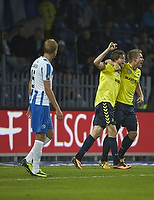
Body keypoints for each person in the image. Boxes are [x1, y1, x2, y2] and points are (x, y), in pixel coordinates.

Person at [71, 42, 130, 169]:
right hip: (104, 102)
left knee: (96, 132)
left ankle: (78, 157)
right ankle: (116, 162)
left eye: (124, 58)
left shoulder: (118, 71)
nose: (124, 60)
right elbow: (96, 62)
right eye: (121, 58)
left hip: (106, 104)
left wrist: (114, 63)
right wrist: (108, 50)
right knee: (113, 130)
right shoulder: (108, 68)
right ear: (115, 59)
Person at [21, 39, 63, 177]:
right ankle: (36, 168)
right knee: (40, 135)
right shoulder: (47, 66)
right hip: (41, 103)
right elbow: (47, 89)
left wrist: (30, 102)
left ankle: (28, 159)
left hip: (36, 102)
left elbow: (30, 83)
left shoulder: (36, 62)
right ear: (55, 51)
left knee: (49, 134)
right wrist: (57, 108)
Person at [99, 49, 144, 169]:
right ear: (134, 59)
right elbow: (108, 61)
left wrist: (141, 94)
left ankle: (120, 155)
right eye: (140, 57)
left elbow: (136, 83)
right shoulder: (124, 67)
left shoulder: (138, 72)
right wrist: (113, 63)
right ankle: (104, 158)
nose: (142, 60)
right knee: (113, 132)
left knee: (133, 133)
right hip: (118, 105)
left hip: (130, 107)